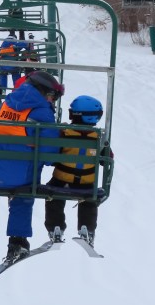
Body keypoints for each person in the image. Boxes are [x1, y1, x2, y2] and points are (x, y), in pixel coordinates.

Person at [0, 70, 64, 267]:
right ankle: (17, 241)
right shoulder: (42, 112)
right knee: (23, 196)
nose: (52, 101)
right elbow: (49, 152)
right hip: (20, 176)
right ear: (44, 91)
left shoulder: (8, 103)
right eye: (52, 96)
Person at [45, 95, 108, 247]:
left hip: (61, 181)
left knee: (53, 198)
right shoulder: (98, 138)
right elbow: (107, 158)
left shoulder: (65, 133)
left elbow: (52, 156)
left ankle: (55, 228)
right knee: (89, 200)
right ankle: (87, 230)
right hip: (86, 184)